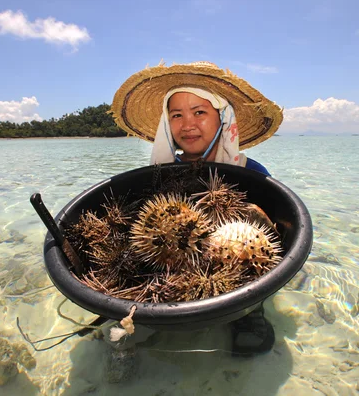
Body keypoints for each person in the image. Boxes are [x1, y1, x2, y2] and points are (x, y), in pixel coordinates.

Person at [106, 61, 284, 365]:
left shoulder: (251, 173)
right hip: (171, 261)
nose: (187, 124)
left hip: (235, 263)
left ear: (223, 117)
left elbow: (276, 236)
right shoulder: (157, 177)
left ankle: (249, 311)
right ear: (167, 123)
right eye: (176, 115)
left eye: (199, 112)